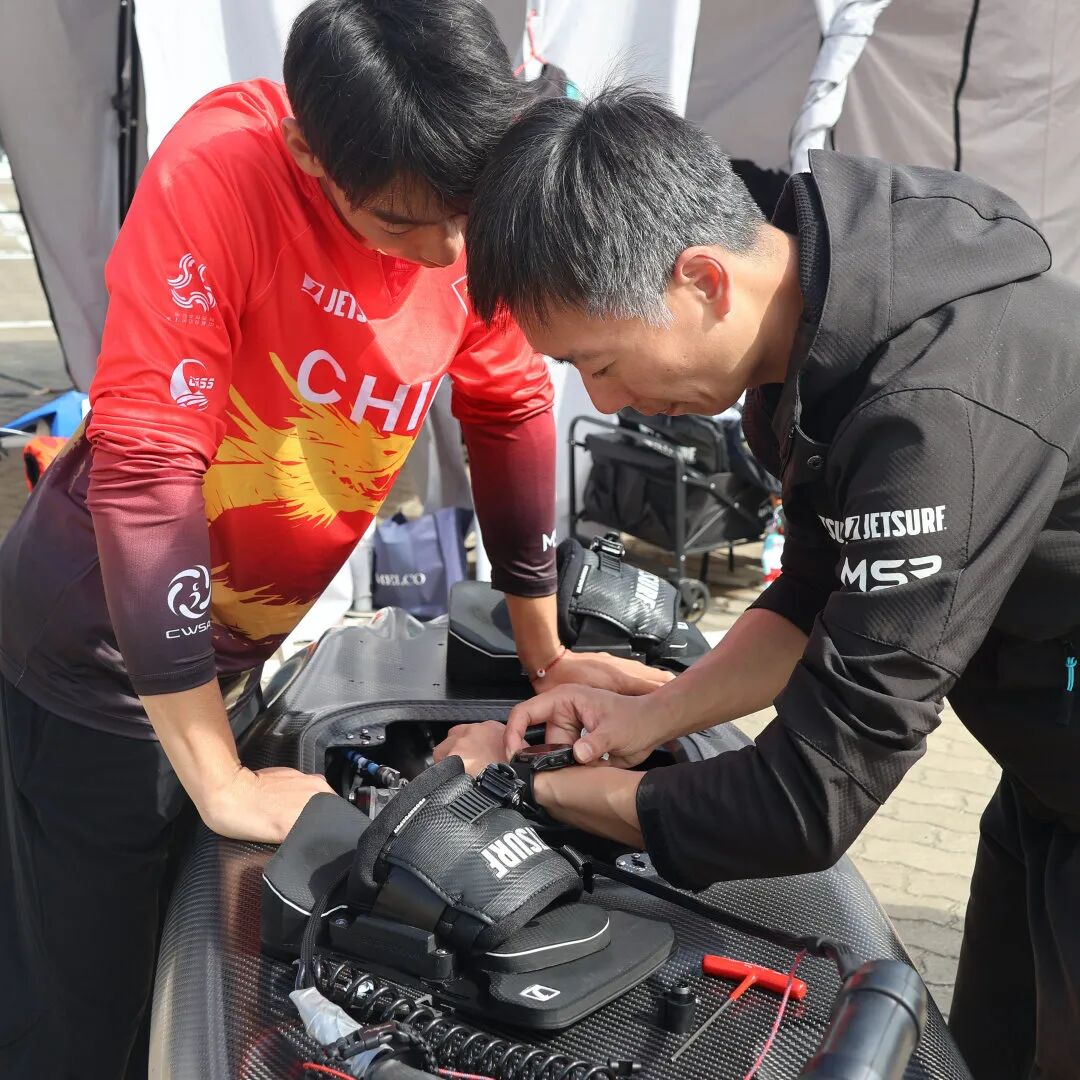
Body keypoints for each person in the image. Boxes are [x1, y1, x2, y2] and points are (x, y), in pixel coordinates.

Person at [0, 8, 670, 1079]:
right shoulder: (226, 168)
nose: (447, 253)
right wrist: (220, 780)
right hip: (100, 655)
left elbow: (506, 407)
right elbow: (147, 469)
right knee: (84, 1008)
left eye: (463, 215)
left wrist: (544, 650)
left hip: (226, 651)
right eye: (403, 222)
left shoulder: (462, 187)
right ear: (309, 153)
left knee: (187, 968)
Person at [435, 87, 1080, 1079]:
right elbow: (818, 590)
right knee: (987, 1051)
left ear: (702, 279)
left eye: (599, 363)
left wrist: (534, 789)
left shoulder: (932, 414)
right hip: (1043, 769)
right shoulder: (820, 323)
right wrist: (640, 718)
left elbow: (812, 798)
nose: (609, 401)